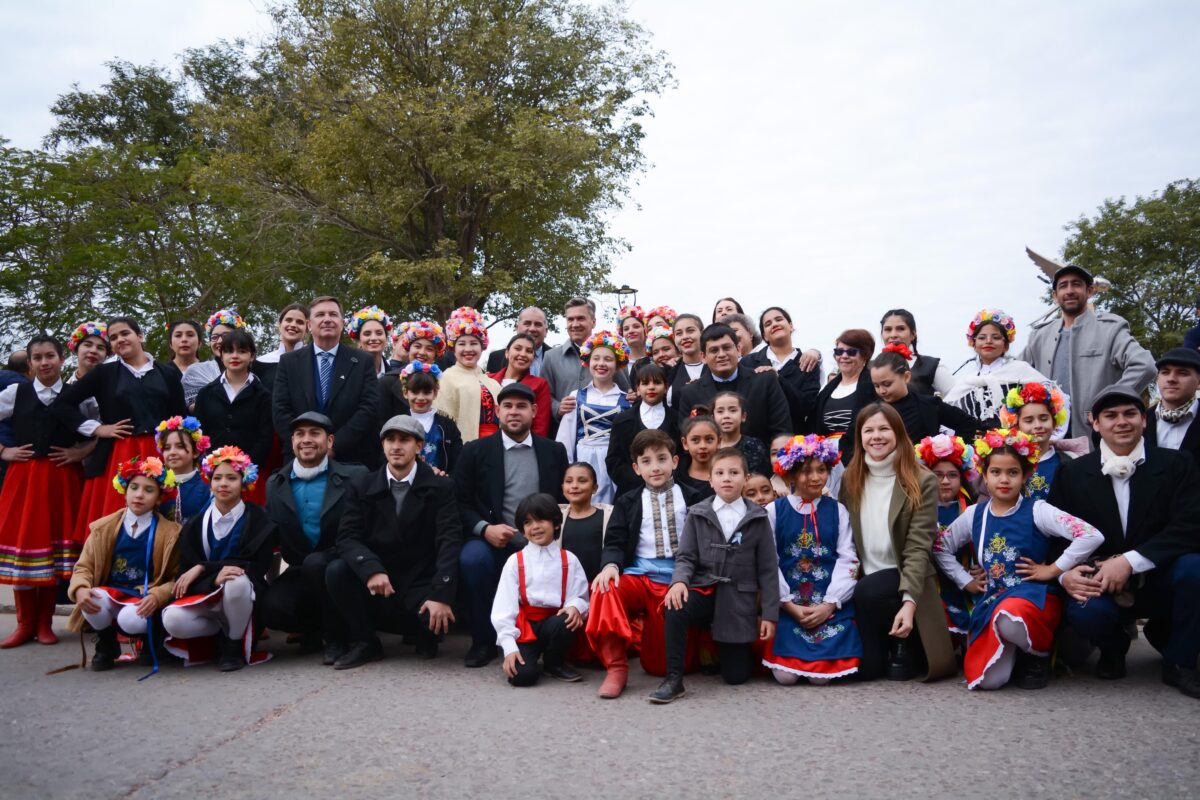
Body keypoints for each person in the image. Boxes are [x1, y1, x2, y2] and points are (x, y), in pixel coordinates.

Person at [1048, 385, 1200, 698]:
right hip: (1101, 580)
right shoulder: (1071, 474)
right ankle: (1113, 648)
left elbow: (1190, 526)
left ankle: (1179, 661)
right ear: (1095, 423)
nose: (1122, 421)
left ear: (1144, 420)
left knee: (1195, 569)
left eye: (1130, 413)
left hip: (1161, 575)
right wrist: (1065, 574)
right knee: (1084, 610)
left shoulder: (1178, 465)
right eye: (1111, 415)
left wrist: (1130, 561)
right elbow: (1057, 535)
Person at [935, 429, 1103, 690]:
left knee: (1010, 616)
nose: (1004, 480)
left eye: (1012, 472)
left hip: (1033, 599)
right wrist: (964, 580)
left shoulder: (1038, 510)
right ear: (984, 477)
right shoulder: (974, 515)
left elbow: (1090, 535)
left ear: (1026, 475)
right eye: (996, 472)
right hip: (990, 600)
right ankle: (1013, 651)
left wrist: (1053, 569)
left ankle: (1037, 654)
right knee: (988, 682)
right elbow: (940, 547)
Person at [326, 414, 461, 669]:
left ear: (419, 446)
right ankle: (365, 642)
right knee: (337, 571)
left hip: (421, 577)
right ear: (382, 445)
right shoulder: (362, 484)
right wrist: (371, 569)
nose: (396, 446)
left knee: (437, 619)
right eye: (390, 439)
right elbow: (347, 537)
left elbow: (449, 541)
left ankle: (425, 633)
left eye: (404, 440)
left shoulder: (441, 486)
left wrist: (442, 594)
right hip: (380, 576)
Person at [454, 382, 569, 667]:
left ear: (534, 411)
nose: (514, 412)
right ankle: (483, 641)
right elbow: (459, 502)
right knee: (473, 559)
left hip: (542, 541)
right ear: (496, 412)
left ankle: (548, 642)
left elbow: (561, 501)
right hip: (493, 538)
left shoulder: (553, 451)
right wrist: (484, 528)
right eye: (507, 406)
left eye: (521, 406)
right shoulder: (475, 451)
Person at [650, 448, 779, 703]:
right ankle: (674, 679)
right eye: (719, 473)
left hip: (738, 599)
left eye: (734, 472)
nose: (727, 478)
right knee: (675, 605)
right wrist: (678, 582)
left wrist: (769, 614)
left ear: (745, 477)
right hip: (704, 590)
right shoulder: (698, 513)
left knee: (736, 677)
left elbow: (768, 569)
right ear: (710, 480)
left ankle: (717, 648)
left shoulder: (758, 517)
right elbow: (686, 557)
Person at [838, 403, 956, 681]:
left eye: (883, 429)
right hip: (863, 579)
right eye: (868, 430)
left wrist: (909, 602)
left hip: (904, 575)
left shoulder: (922, 480)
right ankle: (891, 642)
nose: (876, 436)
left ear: (898, 434)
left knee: (870, 589)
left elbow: (918, 547)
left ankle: (908, 641)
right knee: (869, 670)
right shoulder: (850, 477)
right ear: (859, 437)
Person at [585, 429, 706, 698]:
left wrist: (685, 577)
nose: (655, 467)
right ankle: (616, 668)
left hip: (679, 581)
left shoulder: (695, 496)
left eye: (661, 459)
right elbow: (615, 541)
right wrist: (611, 566)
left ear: (675, 462)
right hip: (640, 577)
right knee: (604, 588)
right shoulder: (627, 501)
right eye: (647, 461)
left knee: (659, 667)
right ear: (636, 468)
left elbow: (704, 542)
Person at [54, 316, 187, 540]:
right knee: (117, 521)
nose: (119, 340)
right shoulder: (104, 373)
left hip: (160, 453)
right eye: (113, 338)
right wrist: (97, 429)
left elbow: (179, 417)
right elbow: (62, 404)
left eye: (124, 333)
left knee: (164, 520)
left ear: (140, 336)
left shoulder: (167, 373)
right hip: (119, 454)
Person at [0, 335, 88, 647]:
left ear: (62, 358)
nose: (44, 362)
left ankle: (45, 623)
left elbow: (101, 429)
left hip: (62, 479)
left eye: (50, 356)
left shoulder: (77, 394)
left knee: (51, 553)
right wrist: (3, 451)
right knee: (25, 549)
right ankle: (24, 625)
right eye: (37, 358)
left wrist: (80, 452)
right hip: (24, 478)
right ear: (30, 363)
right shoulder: (15, 392)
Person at [260, 412, 367, 663]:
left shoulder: (357, 476)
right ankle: (312, 629)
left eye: (314, 433)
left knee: (319, 564)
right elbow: (268, 533)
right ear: (292, 441)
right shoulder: (276, 484)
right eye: (300, 434)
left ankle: (338, 637)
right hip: (301, 569)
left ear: (330, 441)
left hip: (344, 568)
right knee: (273, 606)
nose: (306, 440)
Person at [162, 446, 276, 671]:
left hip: (243, 598)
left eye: (232, 478)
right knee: (172, 620)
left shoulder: (259, 519)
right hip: (206, 596)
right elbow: (185, 572)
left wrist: (203, 567)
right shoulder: (195, 524)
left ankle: (233, 644)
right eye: (217, 478)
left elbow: (256, 565)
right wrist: (212, 577)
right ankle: (217, 637)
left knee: (236, 580)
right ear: (209, 482)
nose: (223, 483)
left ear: (244, 483)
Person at [762, 434, 863, 685]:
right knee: (785, 676)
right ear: (792, 475)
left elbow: (848, 559)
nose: (816, 477)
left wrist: (830, 603)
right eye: (807, 471)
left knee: (822, 679)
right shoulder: (774, 511)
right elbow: (767, 561)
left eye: (822, 470)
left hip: (827, 603)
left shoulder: (837, 510)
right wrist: (786, 603)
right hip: (789, 605)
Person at [67, 456, 182, 671]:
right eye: (134, 488)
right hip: (112, 591)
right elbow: (84, 567)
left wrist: (158, 595)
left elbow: (176, 576)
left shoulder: (170, 533)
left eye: (148, 490)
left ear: (159, 498)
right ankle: (107, 643)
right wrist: (81, 588)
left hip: (144, 594)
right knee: (92, 602)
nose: (139, 494)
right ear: (124, 491)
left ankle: (151, 640)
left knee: (132, 620)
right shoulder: (103, 528)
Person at [1019, 263, 1156, 438]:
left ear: (1090, 291)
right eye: (1063, 286)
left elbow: (1145, 366)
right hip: (1045, 442)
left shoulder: (1110, 329)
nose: (1069, 290)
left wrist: (1109, 403)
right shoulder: (1039, 335)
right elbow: (1012, 374)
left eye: (1076, 284)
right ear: (1055, 295)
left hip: (1092, 439)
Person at [491, 493, 589, 686]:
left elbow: (579, 595)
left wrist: (575, 606)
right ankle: (529, 659)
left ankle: (555, 662)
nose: (535, 527)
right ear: (523, 529)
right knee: (522, 677)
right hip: (526, 627)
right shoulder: (515, 561)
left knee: (567, 619)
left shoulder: (569, 559)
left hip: (555, 624)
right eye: (528, 522)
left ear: (555, 523)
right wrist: (509, 647)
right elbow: (504, 608)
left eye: (541, 519)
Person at [271, 295, 381, 467]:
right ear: (309, 325)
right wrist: (306, 445)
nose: (327, 319)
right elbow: (280, 410)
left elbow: (369, 408)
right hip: (299, 459)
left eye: (333, 314)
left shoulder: (362, 361)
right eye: (320, 315)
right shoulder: (288, 362)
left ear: (342, 323)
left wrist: (333, 445)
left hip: (350, 460)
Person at [678, 323, 791, 449]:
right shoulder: (690, 393)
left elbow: (782, 432)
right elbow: (688, 443)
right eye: (714, 350)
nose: (721, 354)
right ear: (703, 357)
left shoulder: (765, 381)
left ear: (738, 349)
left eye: (726, 348)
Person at [193, 328, 273, 505]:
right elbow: (199, 435)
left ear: (252, 356)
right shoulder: (206, 393)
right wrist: (213, 463)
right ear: (221, 356)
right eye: (229, 351)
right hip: (213, 474)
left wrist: (244, 466)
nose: (235, 356)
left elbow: (265, 438)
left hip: (249, 476)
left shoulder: (263, 396)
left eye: (242, 351)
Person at [915, 434, 979, 640]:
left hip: (966, 584)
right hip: (930, 585)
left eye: (952, 475)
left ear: (962, 478)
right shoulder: (916, 509)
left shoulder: (972, 510)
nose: (944, 481)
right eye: (937, 474)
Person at [556, 331, 632, 504]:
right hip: (583, 456)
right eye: (596, 358)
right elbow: (565, 439)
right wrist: (568, 469)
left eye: (608, 359)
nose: (601, 364)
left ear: (618, 363)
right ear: (588, 361)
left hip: (612, 459)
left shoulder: (626, 400)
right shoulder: (576, 396)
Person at [944, 309, 1054, 428]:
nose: (988, 341)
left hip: (1018, 443)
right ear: (973, 344)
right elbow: (947, 415)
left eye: (996, 337)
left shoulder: (1021, 371)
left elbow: (1055, 401)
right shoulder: (966, 382)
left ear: (1006, 345)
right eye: (982, 338)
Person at [869, 345, 983, 444]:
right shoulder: (872, 411)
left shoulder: (929, 405)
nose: (882, 391)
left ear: (906, 377)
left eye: (887, 384)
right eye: (876, 386)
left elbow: (967, 424)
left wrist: (951, 452)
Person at [543, 297, 629, 422]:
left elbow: (625, 391)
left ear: (593, 322)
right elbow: (544, 396)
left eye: (581, 318)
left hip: (605, 432)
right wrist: (557, 407)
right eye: (570, 319)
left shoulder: (613, 354)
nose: (575, 324)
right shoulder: (551, 357)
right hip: (562, 432)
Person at [605, 363, 681, 498]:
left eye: (657, 382)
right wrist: (639, 481)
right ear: (638, 389)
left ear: (665, 388)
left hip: (671, 489)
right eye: (645, 383)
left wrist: (667, 479)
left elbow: (683, 456)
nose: (651, 387)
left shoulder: (677, 419)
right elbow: (614, 460)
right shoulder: (623, 421)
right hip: (631, 492)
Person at [742, 306, 821, 432]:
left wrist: (778, 378)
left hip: (793, 440)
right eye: (768, 324)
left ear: (791, 326)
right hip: (756, 439)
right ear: (764, 336)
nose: (774, 324)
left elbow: (806, 406)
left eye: (779, 319)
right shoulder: (748, 362)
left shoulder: (808, 363)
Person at [998, 382, 1075, 500]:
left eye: (1044, 419)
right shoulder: (1008, 461)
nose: (1038, 425)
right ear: (1016, 425)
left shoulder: (1069, 463)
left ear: (1054, 422)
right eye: (1029, 421)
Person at [437, 308, 503, 443]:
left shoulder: (491, 382)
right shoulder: (446, 378)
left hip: (495, 443)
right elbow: (442, 422)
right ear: (453, 348)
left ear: (482, 346)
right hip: (463, 444)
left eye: (474, 343)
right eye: (461, 344)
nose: (468, 349)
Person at [384, 361, 462, 472]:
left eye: (426, 392)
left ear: (435, 393)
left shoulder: (448, 425)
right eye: (415, 392)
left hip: (439, 483)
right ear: (405, 393)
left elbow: (457, 459)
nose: (420, 398)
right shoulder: (396, 424)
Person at [879, 309, 957, 397]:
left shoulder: (931, 366)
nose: (893, 335)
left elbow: (957, 397)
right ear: (882, 334)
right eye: (888, 329)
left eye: (900, 329)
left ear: (913, 334)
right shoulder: (871, 368)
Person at [489, 333, 552, 437]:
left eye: (529, 351)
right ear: (507, 353)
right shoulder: (488, 380)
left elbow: (540, 427)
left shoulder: (540, 385)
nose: (523, 354)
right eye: (518, 348)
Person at [559, 462, 612, 584]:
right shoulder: (556, 519)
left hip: (599, 587)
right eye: (569, 481)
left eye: (582, 481)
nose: (574, 486)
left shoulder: (607, 516)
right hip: (567, 589)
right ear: (562, 488)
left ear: (595, 488)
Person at [154, 416, 212, 525]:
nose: (172, 452)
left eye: (180, 446)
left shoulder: (207, 489)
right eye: (167, 448)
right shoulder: (156, 485)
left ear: (195, 452)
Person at [1147, 347, 1200, 464]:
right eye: (1165, 372)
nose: (1171, 379)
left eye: (1182, 373)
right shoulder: (1140, 422)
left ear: (1199, 382)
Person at [164, 319, 220, 408]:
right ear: (170, 343)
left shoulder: (213, 369)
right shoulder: (161, 373)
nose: (184, 339)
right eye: (178, 335)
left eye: (190, 335)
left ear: (200, 343)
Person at [712, 390, 770, 476]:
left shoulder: (753, 446)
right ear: (713, 418)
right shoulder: (709, 448)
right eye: (720, 411)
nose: (726, 416)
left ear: (743, 416)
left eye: (733, 410)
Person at [485, 306, 551, 375]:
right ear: (517, 328)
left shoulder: (557, 358)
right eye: (527, 323)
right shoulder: (496, 358)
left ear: (546, 331)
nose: (532, 329)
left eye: (538, 324)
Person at [676, 412, 719, 499]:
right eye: (695, 440)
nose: (703, 446)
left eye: (709, 439)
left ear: (719, 442)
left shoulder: (727, 476)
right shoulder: (676, 478)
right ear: (685, 443)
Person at [347, 305, 397, 378]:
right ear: (359, 340)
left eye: (379, 333)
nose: (373, 338)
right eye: (367, 334)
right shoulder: (348, 373)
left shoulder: (396, 375)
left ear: (386, 338)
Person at [668, 314, 706, 403]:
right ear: (674, 338)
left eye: (690, 331)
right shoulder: (670, 371)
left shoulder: (715, 366)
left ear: (702, 333)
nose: (685, 337)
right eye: (679, 333)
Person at [617, 305, 649, 375]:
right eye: (626, 329)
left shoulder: (656, 358)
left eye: (636, 326)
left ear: (645, 329)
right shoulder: (619, 364)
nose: (631, 331)